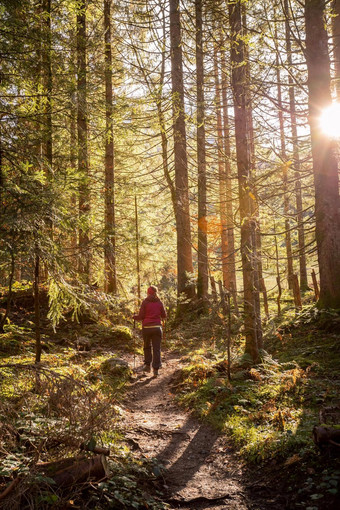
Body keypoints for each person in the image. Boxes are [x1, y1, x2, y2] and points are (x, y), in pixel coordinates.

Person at [133, 285, 166, 377]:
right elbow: (164, 316)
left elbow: (141, 317)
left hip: (147, 328)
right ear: (156, 292)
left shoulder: (145, 302)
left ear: (148, 293)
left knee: (147, 346)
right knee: (157, 348)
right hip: (157, 328)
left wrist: (134, 317)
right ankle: (156, 369)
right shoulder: (159, 302)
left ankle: (147, 366)